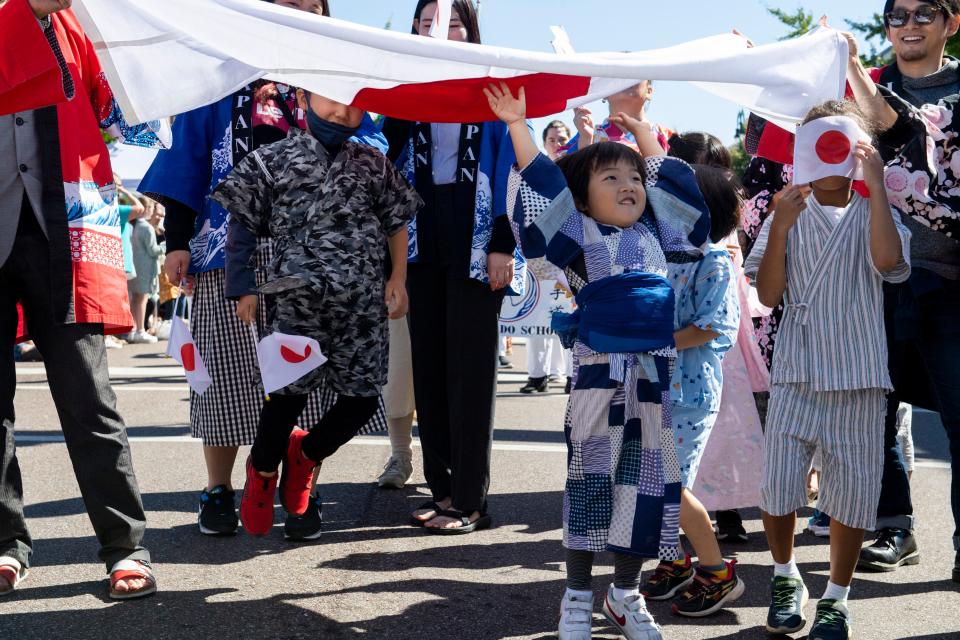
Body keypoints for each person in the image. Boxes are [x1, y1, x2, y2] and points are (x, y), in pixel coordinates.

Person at [139, 0, 390, 541]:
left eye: (309, 3)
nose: (296, 10)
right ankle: (218, 489)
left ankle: (303, 490)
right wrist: (178, 240)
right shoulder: (221, 68)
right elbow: (190, 154)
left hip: (319, 254)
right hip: (229, 245)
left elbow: (372, 144)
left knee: (310, 378)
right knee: (226, 374)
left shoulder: (335, 71)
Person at [486, 82, 712, 640]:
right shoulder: (578, 234)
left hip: (654, 380)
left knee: (647, 486)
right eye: (610, 177)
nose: (628, 185)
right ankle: (576, 596)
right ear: (583, 199)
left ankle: (626, 594)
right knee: (592, 483)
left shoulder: (661, 234)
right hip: (597, 376)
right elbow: (542, 190)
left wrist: (641, 134)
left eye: (635, 178)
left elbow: (685, 206)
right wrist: (518, 125)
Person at [0, 0, 162, 599]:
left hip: (59, 234)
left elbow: (129, 117)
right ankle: (4, 544)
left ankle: (125, 547)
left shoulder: (84, 32)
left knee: (89, 396)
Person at [212, 88, 421, 536]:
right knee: (287, 398)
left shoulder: (373, 163)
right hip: (295, 300)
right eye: (332, 98)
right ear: (304, 100)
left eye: (354, 100)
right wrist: (243, 287)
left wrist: (397, 278)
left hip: (362, 302)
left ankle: (305, 456)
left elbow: (397, 221)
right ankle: (263, 471)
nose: (343, 109)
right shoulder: (272, 159)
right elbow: (242, 225)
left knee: (362, 400)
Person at [744, 101, 911, 639]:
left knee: (854, 490)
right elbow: (768, 295)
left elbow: (888, 264)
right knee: (777, 485)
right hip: (797, 367)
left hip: (860, 370)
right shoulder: (786, 210)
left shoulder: (873, 210)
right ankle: (784, 573)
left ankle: (837, 597)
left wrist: (878, 185)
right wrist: (782, 226)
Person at [381, 0, 526, 534]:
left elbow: (513, 166)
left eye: (454, 21)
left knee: (470, 370)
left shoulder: (493, 85)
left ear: (473, 30)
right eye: (424, 21)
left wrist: (503, 243)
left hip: (476, 228)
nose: (438, 28)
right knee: (431, 367)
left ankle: (470, 499)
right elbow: (382, 154)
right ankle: (442, 490)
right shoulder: (405, 87)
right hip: (420, 231)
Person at [838, 0, 960, 582]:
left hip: (949, 281)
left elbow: (905, 132)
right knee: (874, 412)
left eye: (925, 12)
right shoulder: (855, 91)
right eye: (897, 14)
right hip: (868, 279)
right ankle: (892, 527)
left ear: (951, 23)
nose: (909, 24)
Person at [641, 164, 745, 618]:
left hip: (690, 389)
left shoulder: (714, 260)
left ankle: (717, 570)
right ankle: (674, 560)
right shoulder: (661, 254)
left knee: (671, 485)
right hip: (655, 381)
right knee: (651, 479)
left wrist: (652, 339)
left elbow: (708, 327)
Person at [521, 120, 573, 395]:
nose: (557, 142)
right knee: (537, 316)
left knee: (570, 317)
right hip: (540, 254)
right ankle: (537, 375)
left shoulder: (576, 169)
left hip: (570, 254)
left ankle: (572, 376)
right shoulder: (536, 170)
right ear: (544, 142)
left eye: (563, 138)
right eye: (552, 138)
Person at [569, 81, 672, 154]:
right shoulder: (587, 135)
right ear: (604, 92)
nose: (625, 80)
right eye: (617, 77)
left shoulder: (669, 138)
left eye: (634, 74)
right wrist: (585, 143)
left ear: (649, 91)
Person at [126, 199, 164, 344]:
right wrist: (164, 247)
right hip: (146, 267)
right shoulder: (146, 227)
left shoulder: (134, 225)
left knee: (135, 299)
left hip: (136, 266)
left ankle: (134, 329)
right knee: (142, 299)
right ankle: (140, 330)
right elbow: (153, 250)